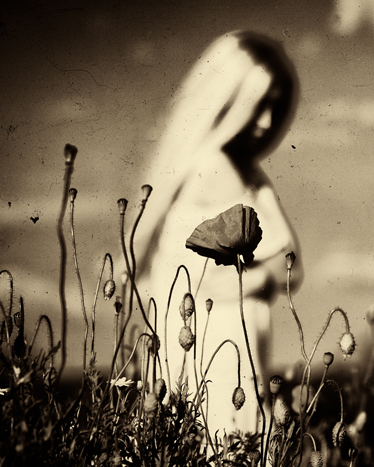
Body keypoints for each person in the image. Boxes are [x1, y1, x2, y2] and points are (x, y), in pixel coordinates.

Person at [134, 30, 302, 436]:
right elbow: (291, 267)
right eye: (258, 105)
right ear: (227, 100)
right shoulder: (221, 169)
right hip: (223, 354)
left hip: (196, 351)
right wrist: (261, 277)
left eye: (276, 108)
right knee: (229, 446)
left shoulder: (199, 165)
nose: (267, 122)